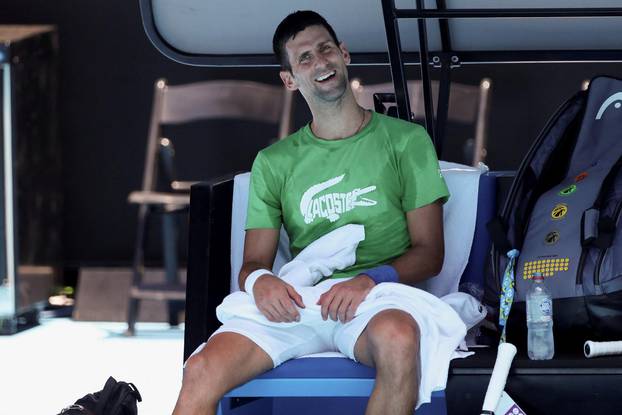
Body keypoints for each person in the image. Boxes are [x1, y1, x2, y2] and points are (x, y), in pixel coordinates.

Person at [173, 10, 449, 415]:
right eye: (304, 58)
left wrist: (367, 281)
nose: (320, 63)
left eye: (326, 50)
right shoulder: (273, 161)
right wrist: (261, 282)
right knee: (199, 368)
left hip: (375, 301)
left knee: (400, 337)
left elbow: (430, 253)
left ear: (344, 54)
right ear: (289, 80)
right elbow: (252, 264)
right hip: (300, 305)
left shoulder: (406, 142)